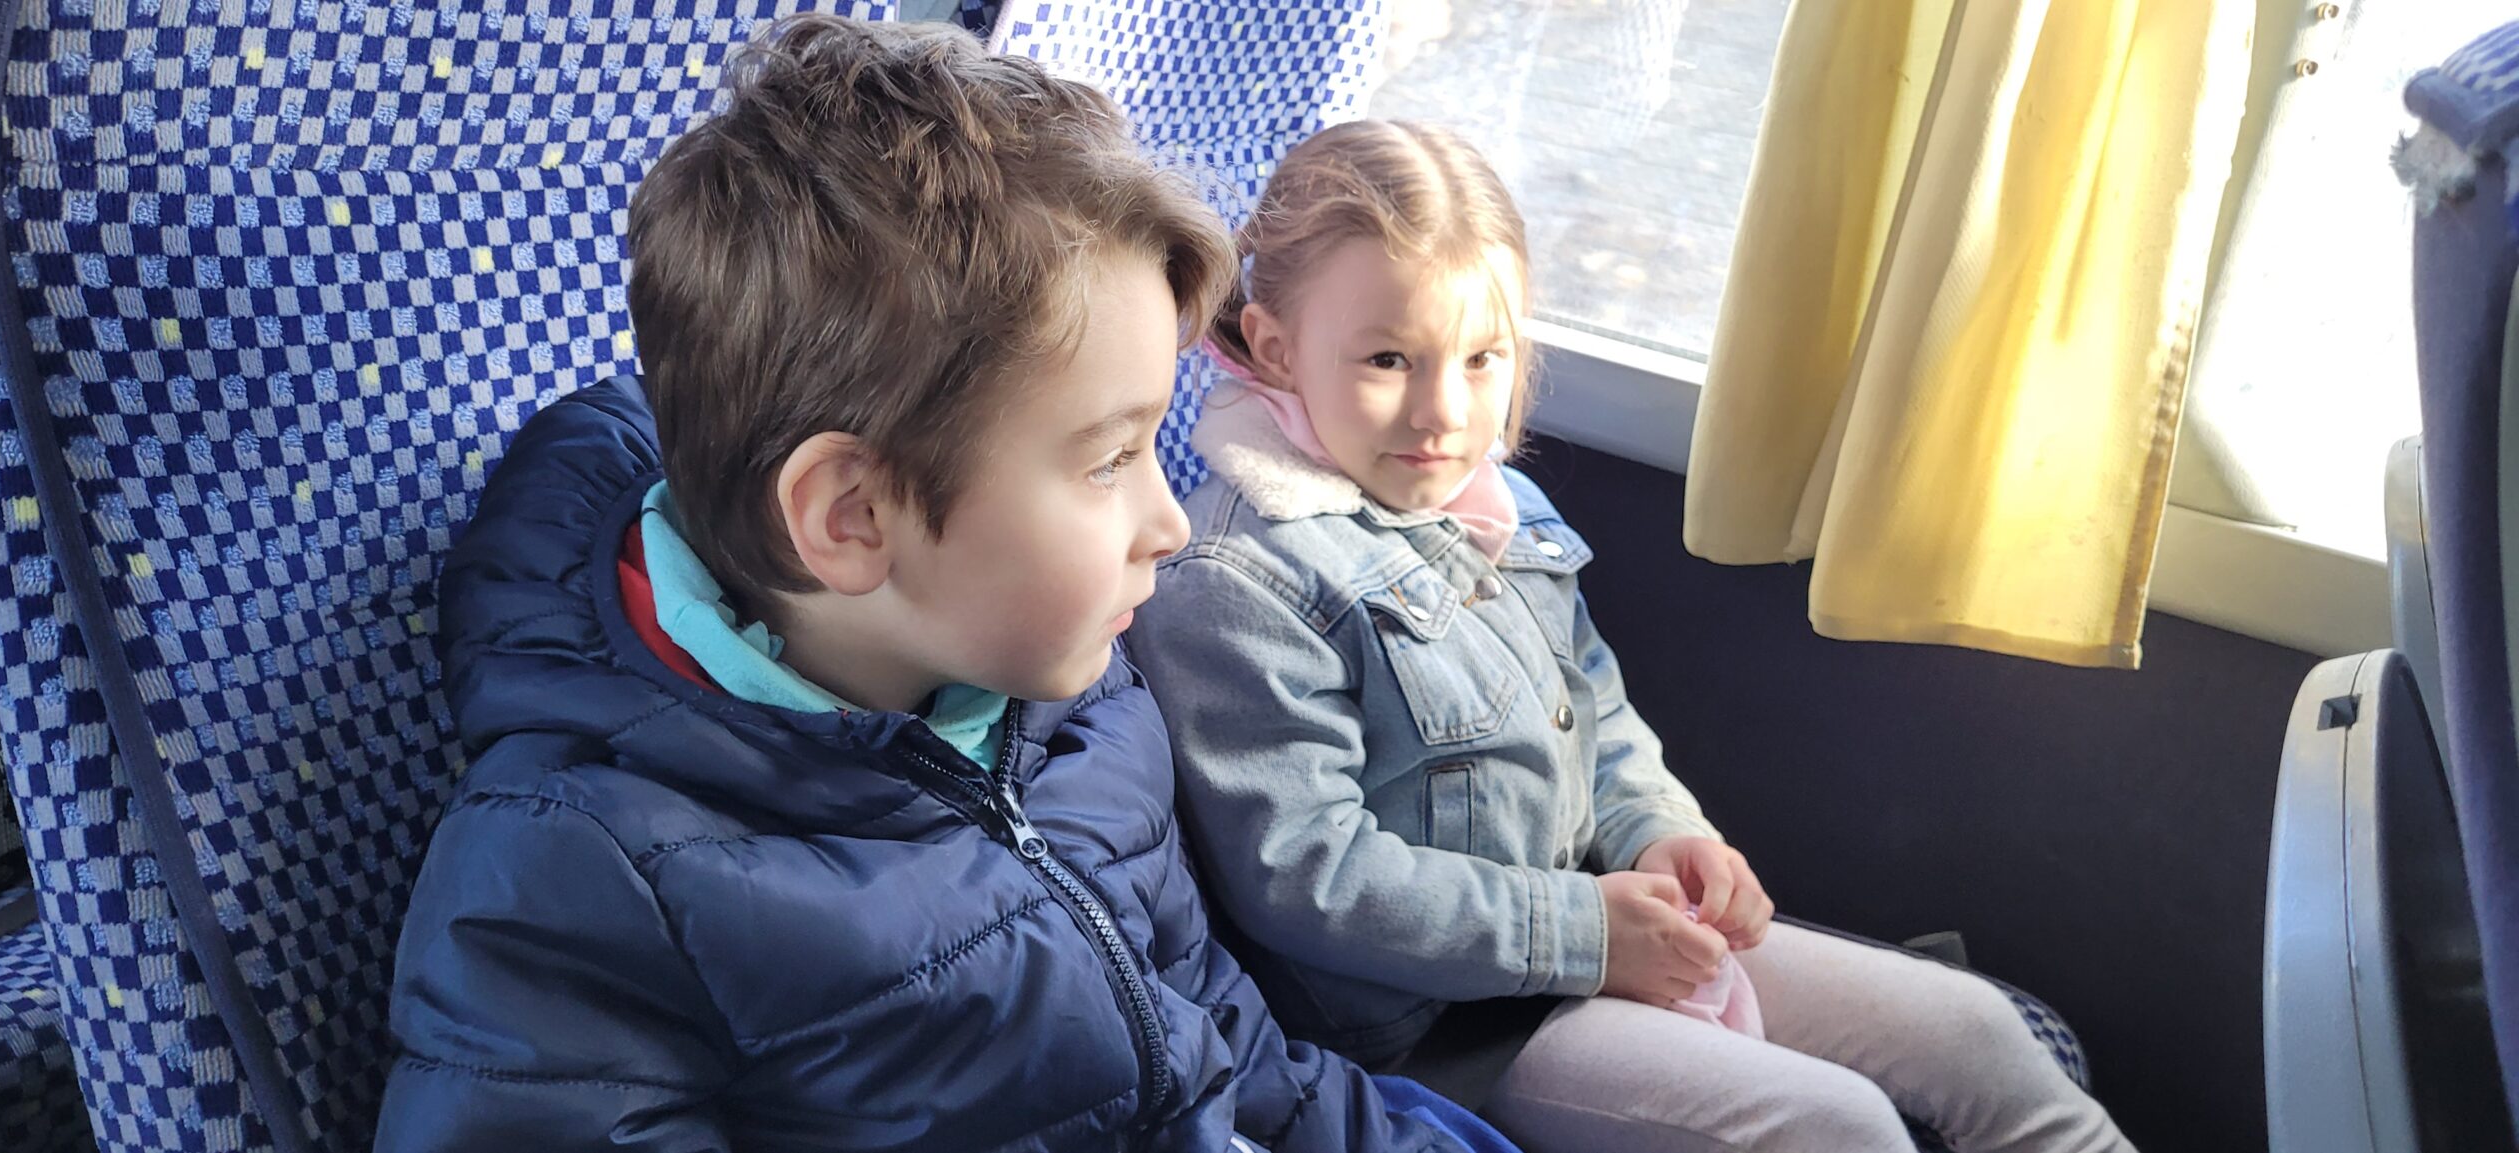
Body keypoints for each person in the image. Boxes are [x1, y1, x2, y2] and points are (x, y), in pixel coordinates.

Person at [375, 19, 1522, 1152]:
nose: (1170, 524)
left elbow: (1221, 1039)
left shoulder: (1079, 700)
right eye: (1110, 461)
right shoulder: (581, 886)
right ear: (854, 517)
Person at [1129, 118, 2138, 1153]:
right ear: (1275, 347)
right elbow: (1312, 877)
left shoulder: (1494, 506)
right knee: (1837, 1127)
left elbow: (1598, 718)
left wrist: (1663, 830)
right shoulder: (1234, 582)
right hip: (1445, 1026)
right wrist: (1585, 933)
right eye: (1389, 359)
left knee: (1976, 1031)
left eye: (1482, 359)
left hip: (1600, 917)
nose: (1442, 412)